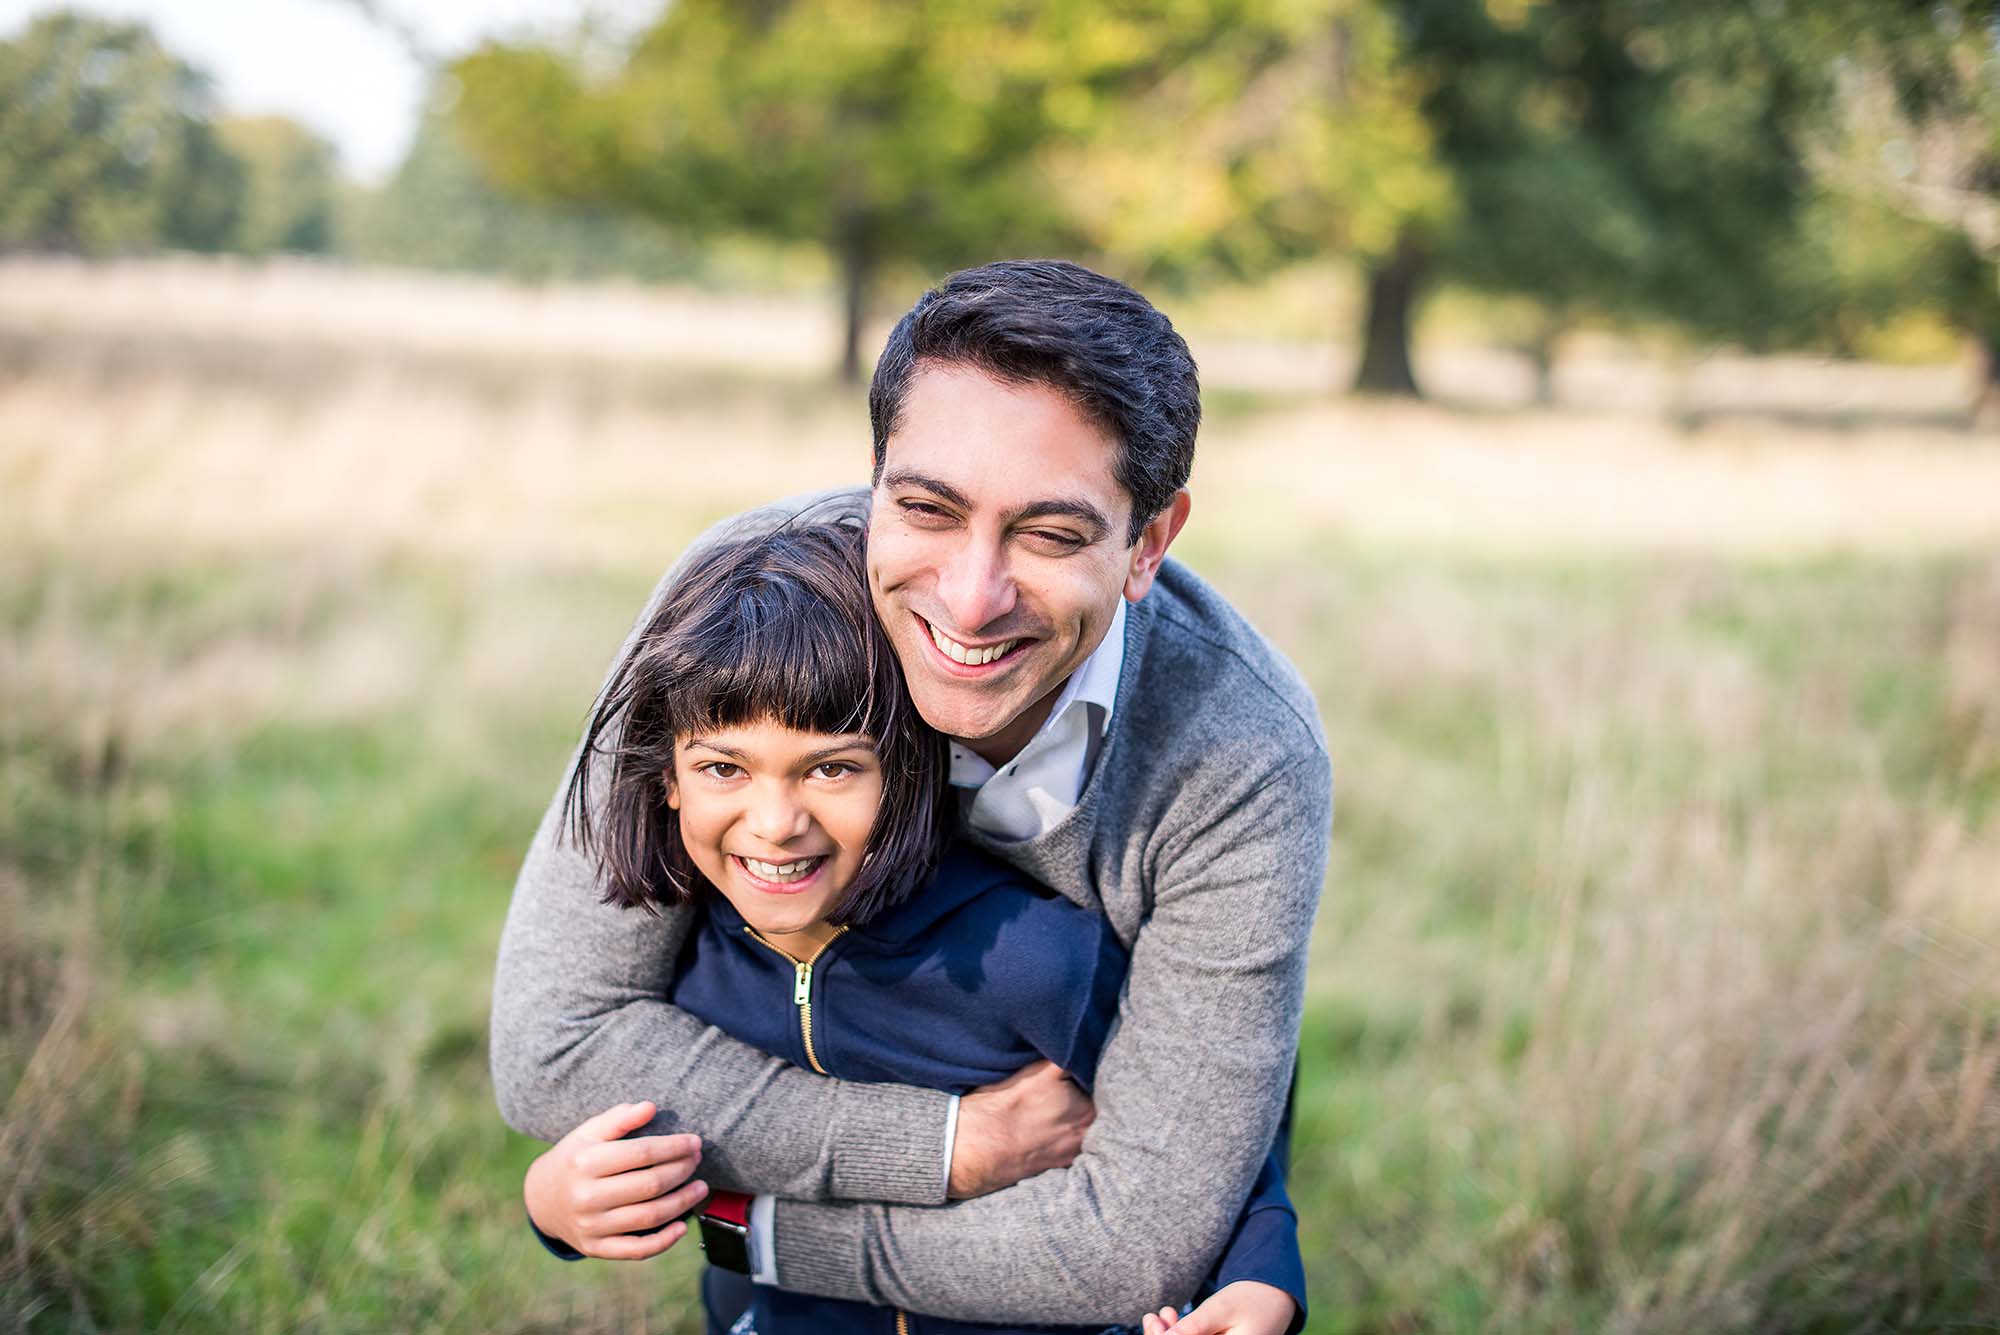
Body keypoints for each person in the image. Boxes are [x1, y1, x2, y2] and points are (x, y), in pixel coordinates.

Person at [492, 259, 1333, 1329]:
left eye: (1050, 534)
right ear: (874, 478)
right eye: (927, 508)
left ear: (1147, 545)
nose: (970, 599)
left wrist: (755, 1232)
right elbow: (556, 1042)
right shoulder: (745, 611)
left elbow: (1132, 1240)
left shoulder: (1238, 753)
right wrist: (937, 1150)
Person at [523, 519, 1304, 1334]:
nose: (776, 822)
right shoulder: (686, 965)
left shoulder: (1027, 956)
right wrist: (551, 1206)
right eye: (724, 767)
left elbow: (1197, 1125)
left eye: (831, 767)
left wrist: (1262, 1275)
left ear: (908, 769)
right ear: (669, 777)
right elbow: (631, 1173)